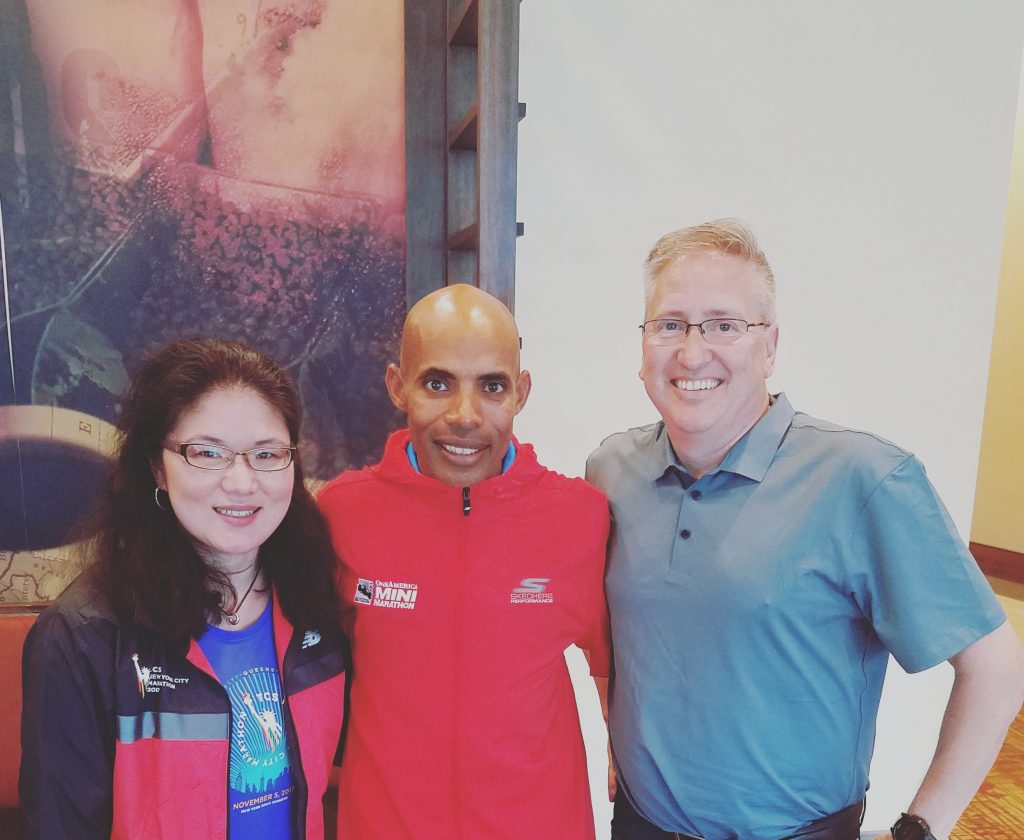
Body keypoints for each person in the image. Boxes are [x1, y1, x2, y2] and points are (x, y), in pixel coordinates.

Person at [586, 219, 1024, 840]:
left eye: (724, 324)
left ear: (770, 346)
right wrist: (616, 744)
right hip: (639, 825)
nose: (691, 351)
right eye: (670, 323)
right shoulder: (610, 471)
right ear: (644, 343)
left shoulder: (864, 479)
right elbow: (622, 640)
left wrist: (923, 829)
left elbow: (998, 668)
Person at [19, 337, 348, 840]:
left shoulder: (317, 603)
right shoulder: (83, 636)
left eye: (266, 453)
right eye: (207, 453)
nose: (241, 482)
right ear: (157, 466)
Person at [318, 283, 611, 839]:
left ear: (520, 393)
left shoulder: (580, 518)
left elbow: (619, 669)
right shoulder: (341, 513)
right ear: (397, 387)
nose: (465, 415)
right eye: (437, 383)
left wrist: (627, 760)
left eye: (492, 387)